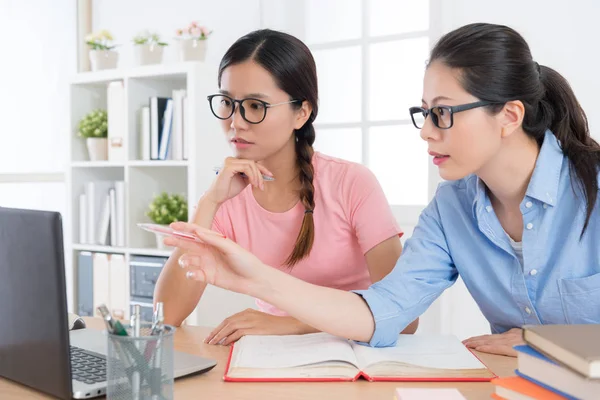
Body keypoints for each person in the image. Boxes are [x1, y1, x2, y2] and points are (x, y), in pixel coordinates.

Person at [164, 23, 600, 357]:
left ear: (509, 115)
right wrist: (256, 277)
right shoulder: (451, 210)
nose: (426, 133)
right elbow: (387, 309)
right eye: (424, 113)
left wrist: (544, 344)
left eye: (443, 114)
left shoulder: (591, 189)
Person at [154, 29, 418, 345]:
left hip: (356, 354)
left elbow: (405, 317)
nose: (236, 122)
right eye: (227, 103)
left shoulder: (352, 183)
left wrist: (291, 324)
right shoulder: (227, 196)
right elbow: (166, 316)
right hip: (270, 358)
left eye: (255, 106)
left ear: (301, 113)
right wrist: (209, 203)